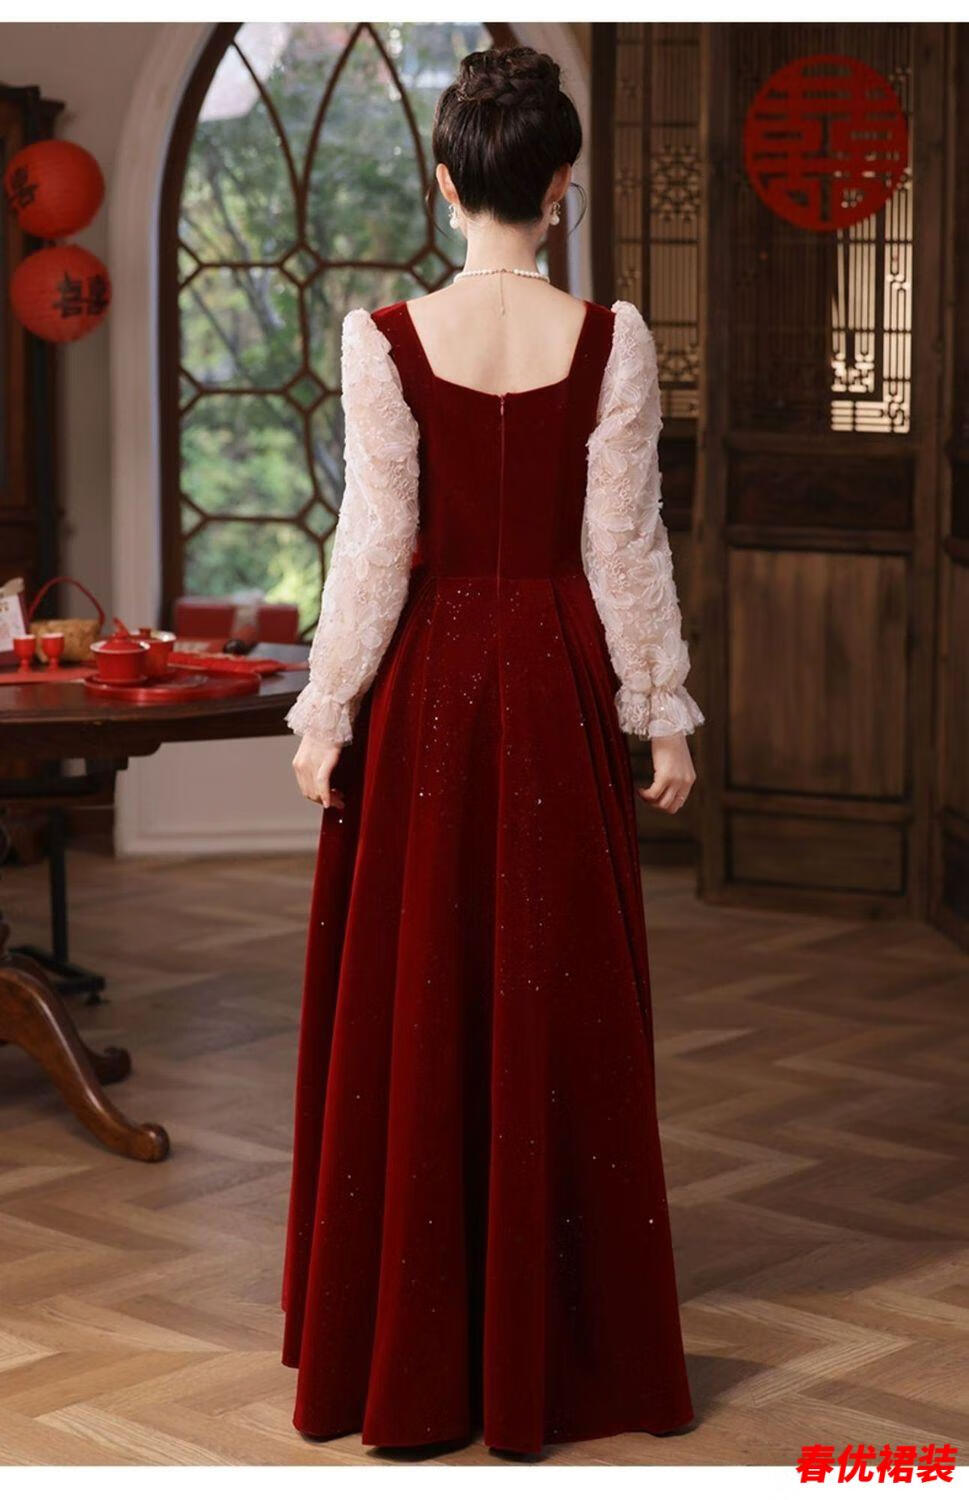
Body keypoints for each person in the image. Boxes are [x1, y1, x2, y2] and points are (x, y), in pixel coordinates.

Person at [281, 43, 704, 1458]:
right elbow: (623, 547)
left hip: (432, 697)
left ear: (443, 182)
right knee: (555, 993)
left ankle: (416, 1342)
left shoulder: (384, 336)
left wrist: (328, 710)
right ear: (560, 183)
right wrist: (658, 708)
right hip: (558, 680)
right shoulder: (613, 337)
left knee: (425, 993)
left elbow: (375, 547)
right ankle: (560, 1344)